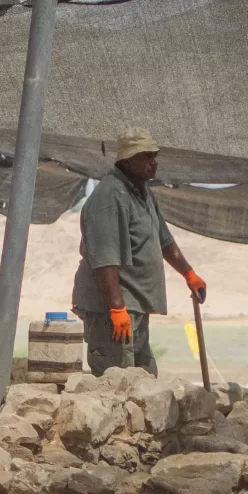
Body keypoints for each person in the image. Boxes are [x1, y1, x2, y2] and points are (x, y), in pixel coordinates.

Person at [71, 131, 205, 376]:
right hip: (112, 310)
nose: (153, 162)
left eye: (154, 156)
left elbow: (164, 241)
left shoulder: (142, 193)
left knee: (144, 378)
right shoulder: (110, 196)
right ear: (127, 160)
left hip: (136, 306)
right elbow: (104, 258)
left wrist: (189, 273)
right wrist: (116, 308)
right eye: (146, 156)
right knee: (116, 380)